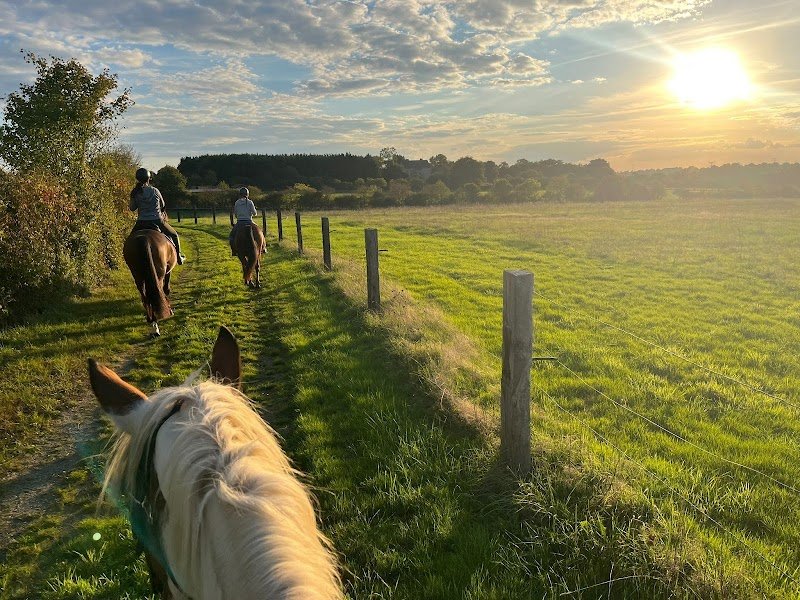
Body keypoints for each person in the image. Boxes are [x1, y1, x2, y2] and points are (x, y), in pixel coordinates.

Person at [129, 167, 186, 264]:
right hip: (157, 221)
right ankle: (179, 257)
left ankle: (128, 259)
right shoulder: (155, 191)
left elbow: (132, 208)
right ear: (149, 179)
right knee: (174, 235)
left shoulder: (135, 192)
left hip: (141, 222)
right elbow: (163, 205)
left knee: (130, 241)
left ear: (137, 179)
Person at [229, 187, 258, 256]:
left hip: (239, 222)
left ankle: (234, 251)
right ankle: (263, 247)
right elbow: (254, 213)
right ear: (247, 194)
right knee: (260, 232)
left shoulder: (237, 202)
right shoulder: (250, 202)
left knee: (231, 236)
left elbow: (236, 214)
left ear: (240, 194)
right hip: (249, 221)